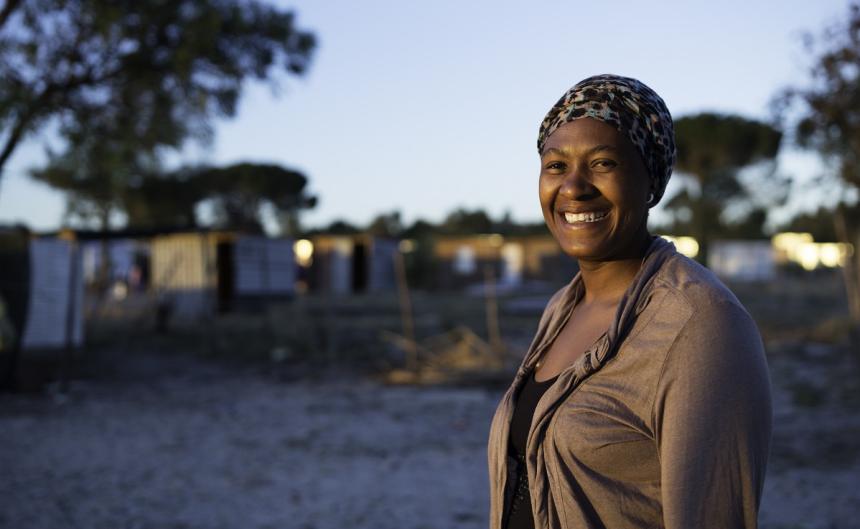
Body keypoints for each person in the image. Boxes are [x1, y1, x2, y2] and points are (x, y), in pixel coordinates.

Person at [487, 75, 773, 529]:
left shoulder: (701, 324)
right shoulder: (562, 307)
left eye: (603, 163)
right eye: (556, 166)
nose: (574, 187)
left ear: (651, 181)